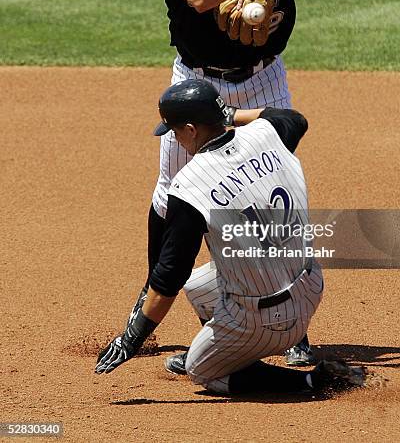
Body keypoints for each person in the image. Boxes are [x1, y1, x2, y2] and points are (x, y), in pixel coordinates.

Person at [139, 0, 338, 365]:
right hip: (195, 86)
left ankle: (292, 328)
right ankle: (153, 296)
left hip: (261, 77)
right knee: (172, 191)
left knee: (269, 182)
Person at [96, 80, 369, 396]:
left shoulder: (189, 187)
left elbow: (169, 275)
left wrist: (131, 339)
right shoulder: (267, 134)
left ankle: (311, 381)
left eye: (174, 130)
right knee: (199, 289)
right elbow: (295, 118)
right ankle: (229, 351)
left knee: (201, 371)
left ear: (191, 129)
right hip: (310, 282)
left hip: (272, 321)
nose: (174, 137)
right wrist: (228, 114)